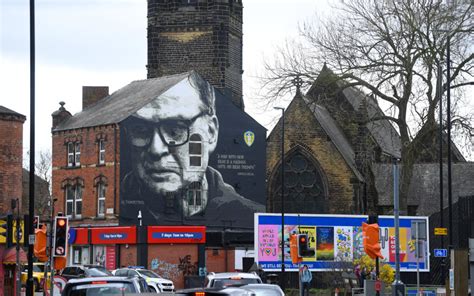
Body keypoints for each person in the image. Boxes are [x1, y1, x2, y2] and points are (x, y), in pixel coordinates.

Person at [120, 72, 264, 227]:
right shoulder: (120, 206)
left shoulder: (250, 216)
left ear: (211, 131)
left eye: (175, 129)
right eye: (140, 129)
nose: (156, 149)